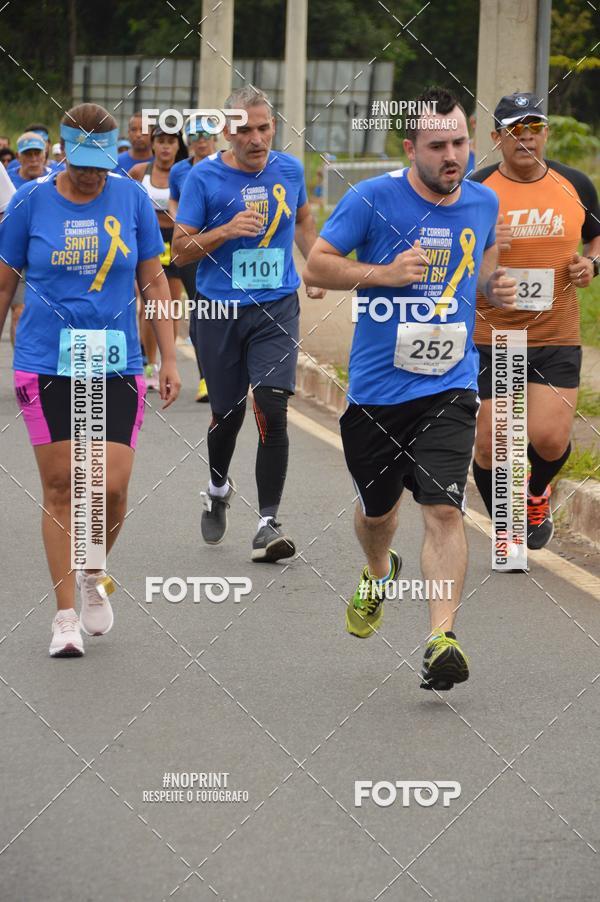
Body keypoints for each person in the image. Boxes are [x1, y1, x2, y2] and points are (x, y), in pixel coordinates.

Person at [304, 86, 517, 691]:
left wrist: (489, 289)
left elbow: (481, 263)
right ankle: (377, 573)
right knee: (379, 515)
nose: (451, 155)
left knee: (445, 509)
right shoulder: (373, 199)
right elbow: (317, 264)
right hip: (377, 393)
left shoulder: (480, 202)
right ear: (411, 148)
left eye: (459, 143)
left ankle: (440, 638)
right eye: (437, 146)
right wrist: (384, 274)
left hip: (450, 384)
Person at [0, 102, 181, 658]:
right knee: (61, 489)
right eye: (80, 161)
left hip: (116, 360)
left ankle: (92, 571)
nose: (90, 173)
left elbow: (155, 284)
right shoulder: (29, 202)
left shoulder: (129, 198)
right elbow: (3, 287)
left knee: (111, 489)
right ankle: (64, 617)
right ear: (63, 151)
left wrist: (168, 358)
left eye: (100, 162)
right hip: (47, 361)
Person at [172, 86, 326, 562]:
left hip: (276, 306)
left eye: (263, 128)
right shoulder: (204, 178)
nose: (256, 139)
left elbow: (302, 221)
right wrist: (225, 231)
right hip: (219, 312)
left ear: (273, 126)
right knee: (227, 415)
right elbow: (180, 251)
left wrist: (315, 264)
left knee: (271, 405)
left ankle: (267, 522)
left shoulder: (290, 169)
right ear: (226, 131)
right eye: (244, 130)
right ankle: (218, 488)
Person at [470, 92, 600, 550]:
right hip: (493, 335)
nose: (525, 139)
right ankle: (507, 523)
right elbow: (450, 253)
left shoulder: (576, 183)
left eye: (533, 129)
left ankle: (535, 492)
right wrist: (486, 246)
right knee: (489, 445)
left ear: (545, 133)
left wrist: (592, 264)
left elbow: (596, 238)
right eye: (514, 130)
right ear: (497, 137)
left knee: (547, 439)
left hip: (555, 333)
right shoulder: (477, 188)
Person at [130, 125, 187, 390]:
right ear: (153, 145)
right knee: (147, 306)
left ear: (178, 146)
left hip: (173, 239)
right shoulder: (140, 172)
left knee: (171, 305)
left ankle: (168, 362)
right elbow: (126, 204)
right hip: (147, 241)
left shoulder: (185, 172)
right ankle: (149, 364)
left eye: (171, 142)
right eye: (161, 141)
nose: (165, 147)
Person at [169, 120, 218, 402]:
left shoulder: (227, 165)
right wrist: (182, 221)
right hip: (191, 247)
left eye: (206, 135)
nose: (201, 140)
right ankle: (205, 378)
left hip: (222, 247)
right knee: (201, 309)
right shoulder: (180, 170)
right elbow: (174, 200)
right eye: (195, 136)